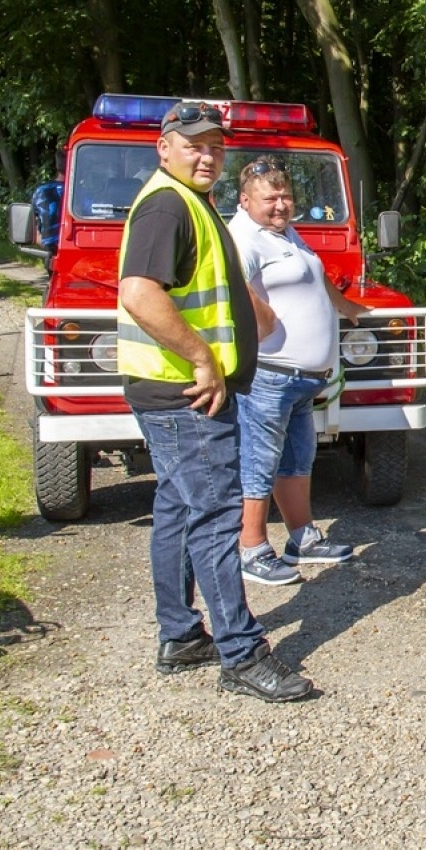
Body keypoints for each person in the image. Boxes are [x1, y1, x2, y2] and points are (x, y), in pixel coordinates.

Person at [117, 101, 312, 703]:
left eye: (215, 146)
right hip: (186, 393)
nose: (207, 155)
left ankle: (181, 634)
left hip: (176, 391)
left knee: (177, 508)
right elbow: (139, 293)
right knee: (216, 519)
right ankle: (241, 652)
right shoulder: (167, 205)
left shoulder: (186, 202)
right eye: (194, 144)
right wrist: (203, 359)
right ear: (165, 147)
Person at [229, 156, 367, 586]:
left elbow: (316, 276)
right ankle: (251, 549)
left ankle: (301, 539)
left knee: (297, 457)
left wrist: (346, 307)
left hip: (302, 380)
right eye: (270, 198)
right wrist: (264, 320)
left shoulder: (287, 235)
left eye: (286, 196)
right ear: (245, 200)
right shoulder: (243, 237)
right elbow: (230, 284)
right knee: (260, 461)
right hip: (269, 374)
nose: (281, 205)